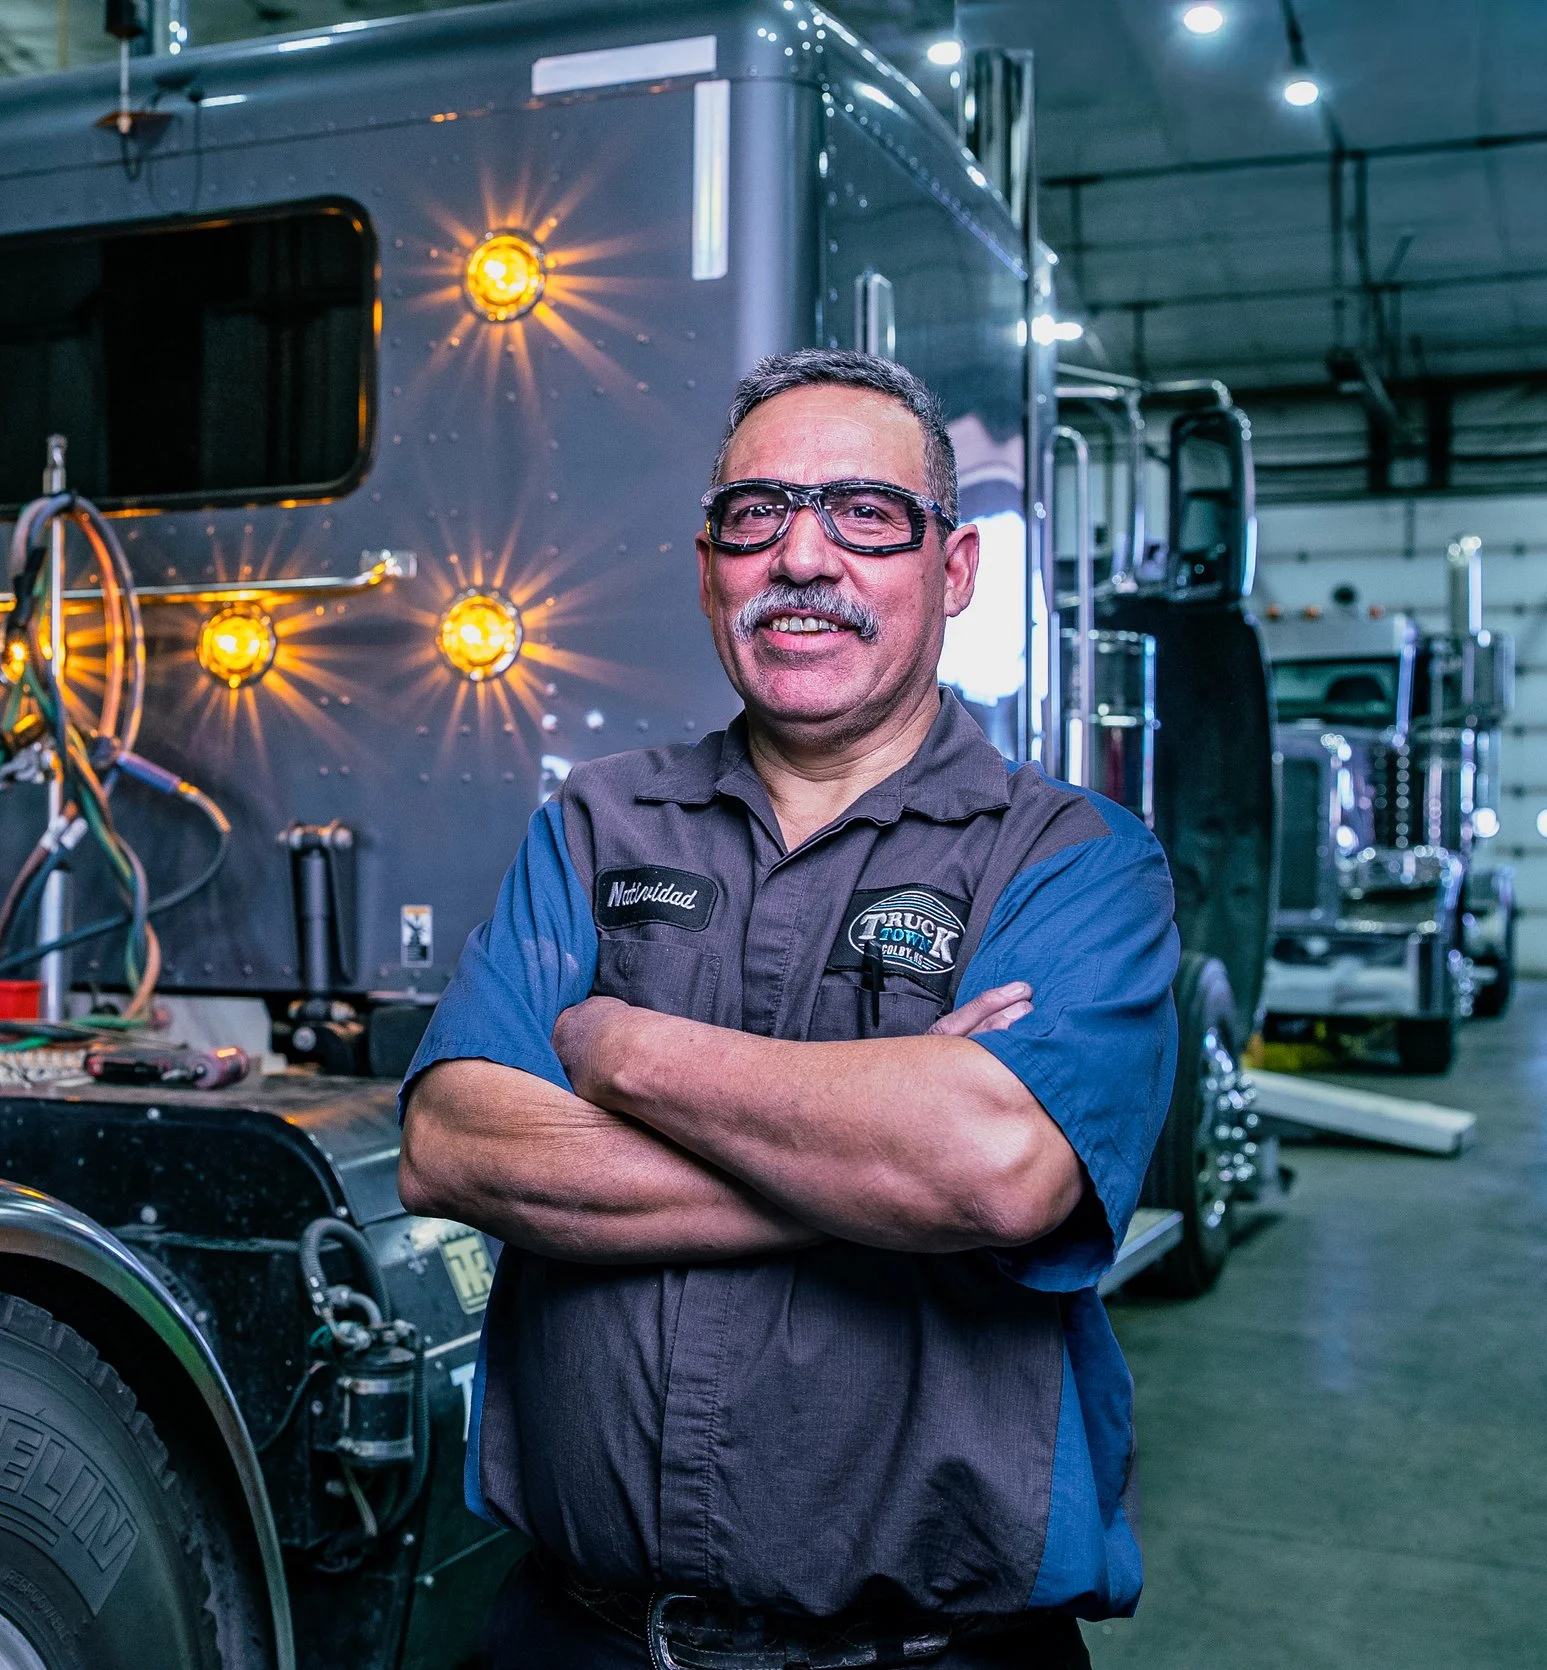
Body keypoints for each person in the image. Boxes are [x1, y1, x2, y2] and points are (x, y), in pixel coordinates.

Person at [399, 349, 1180, 1670]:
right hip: (574, 1638)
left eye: (866, 514)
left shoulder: (1074, 858)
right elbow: (454, 1143)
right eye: (756, 517)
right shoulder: (596, 823)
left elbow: (993, 1164)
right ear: (711, 567)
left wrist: (619, 1045)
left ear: (956, 569)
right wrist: (879, 1151)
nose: (802, 557)